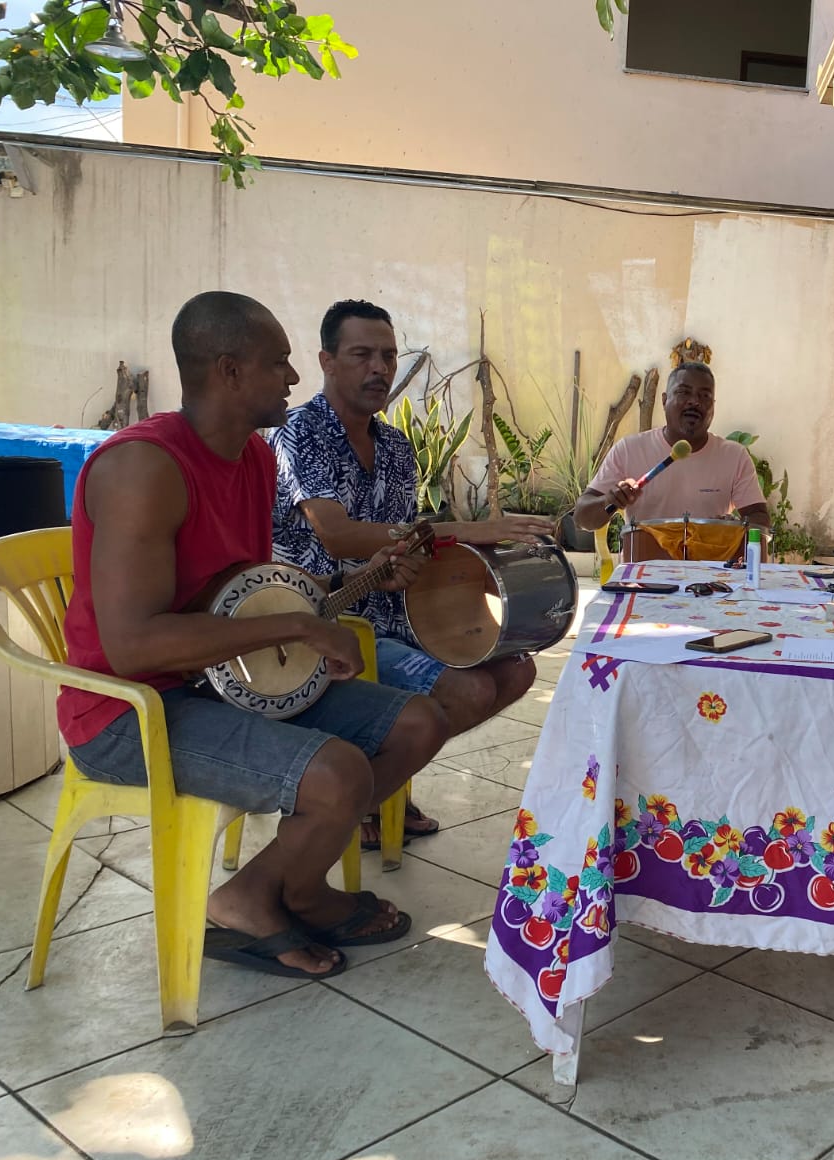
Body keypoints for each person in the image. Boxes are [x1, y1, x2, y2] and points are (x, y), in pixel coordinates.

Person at [61, 291, 449, 979]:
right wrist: (300, 624)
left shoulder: (252, 460)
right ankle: (264, 900)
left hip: (221, 680)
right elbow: (134, 646)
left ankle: (276, 888)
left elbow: (245, 595)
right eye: (279, 364)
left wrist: (358, 582)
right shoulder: (144, 469)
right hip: (131, 709)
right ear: (229, 371)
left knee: (416, 722)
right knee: (338, 773)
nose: (294, 380)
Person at [269, 300, 554, 850]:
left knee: (516, 669)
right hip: (326, 625)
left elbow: (402, 540)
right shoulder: (299, 433)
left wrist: (418, 565)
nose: (379, 368)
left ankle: (377, 784)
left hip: (394, 610)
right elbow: (338, 533)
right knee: (467, 690)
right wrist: (466, 531)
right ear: (327, 361)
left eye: (388, 355)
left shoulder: (396, 446)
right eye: (362, 355)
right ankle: (360, 796)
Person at [572, 361, 770, 534]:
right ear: (664, 400)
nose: (695, 401)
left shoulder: (734, 456)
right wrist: (609, 500)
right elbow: (582, 519)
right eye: (684, 392)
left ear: (713, 406)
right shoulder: (629, 450)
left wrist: (734, 527)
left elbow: (760, 519)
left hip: (711, 574)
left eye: (705, 396)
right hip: (643, 574)